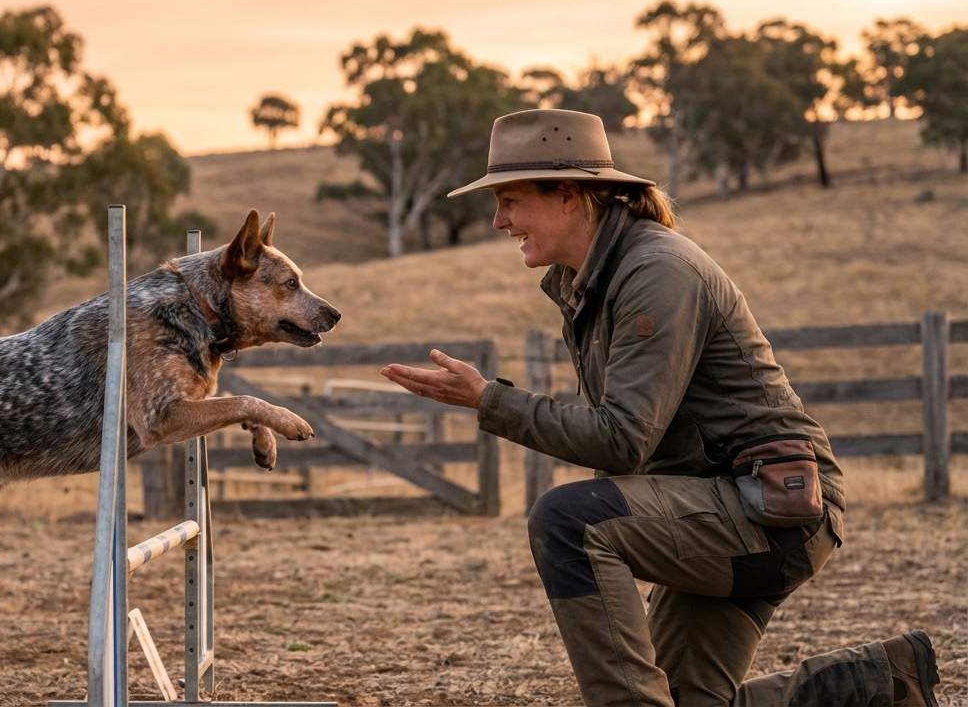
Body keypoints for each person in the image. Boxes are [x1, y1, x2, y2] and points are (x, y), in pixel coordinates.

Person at [381, 109, 940, 706]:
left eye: (511, 200)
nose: (498, 221)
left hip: (771, 509)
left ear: (568, 195)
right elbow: (628, 444)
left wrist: (491, 400)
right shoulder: (596, 278)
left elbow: (620, 440)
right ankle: (887, 684)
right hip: (725, 502)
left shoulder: (655, 271)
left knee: (566, 520)